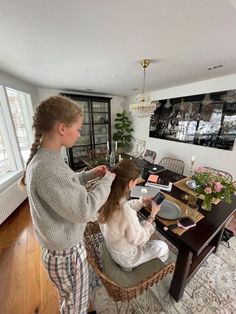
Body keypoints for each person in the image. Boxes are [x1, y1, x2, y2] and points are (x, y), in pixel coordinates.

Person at [19, 95, 115, 314]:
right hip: (66, 254)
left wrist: (89, 174)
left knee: (71, 299)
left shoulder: (48, 159)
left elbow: (66, 185)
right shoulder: (47, 168)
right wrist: (108, 181)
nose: (80, 133)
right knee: (75, 306)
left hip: (62, 249)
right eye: (78, 128)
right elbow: (85, 209)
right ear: (62, 128)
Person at [98, 159, 169, 271]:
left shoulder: (106, 196)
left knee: (140, 228)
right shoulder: (126, 213)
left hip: (113, 246)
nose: (136, 183)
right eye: (136, 181)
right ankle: (150, 269)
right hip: (127, 257)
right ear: (131, 182)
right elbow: (141, 240)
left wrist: (141, 202)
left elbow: (124, 206)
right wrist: (152, 216)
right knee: (163, 247)